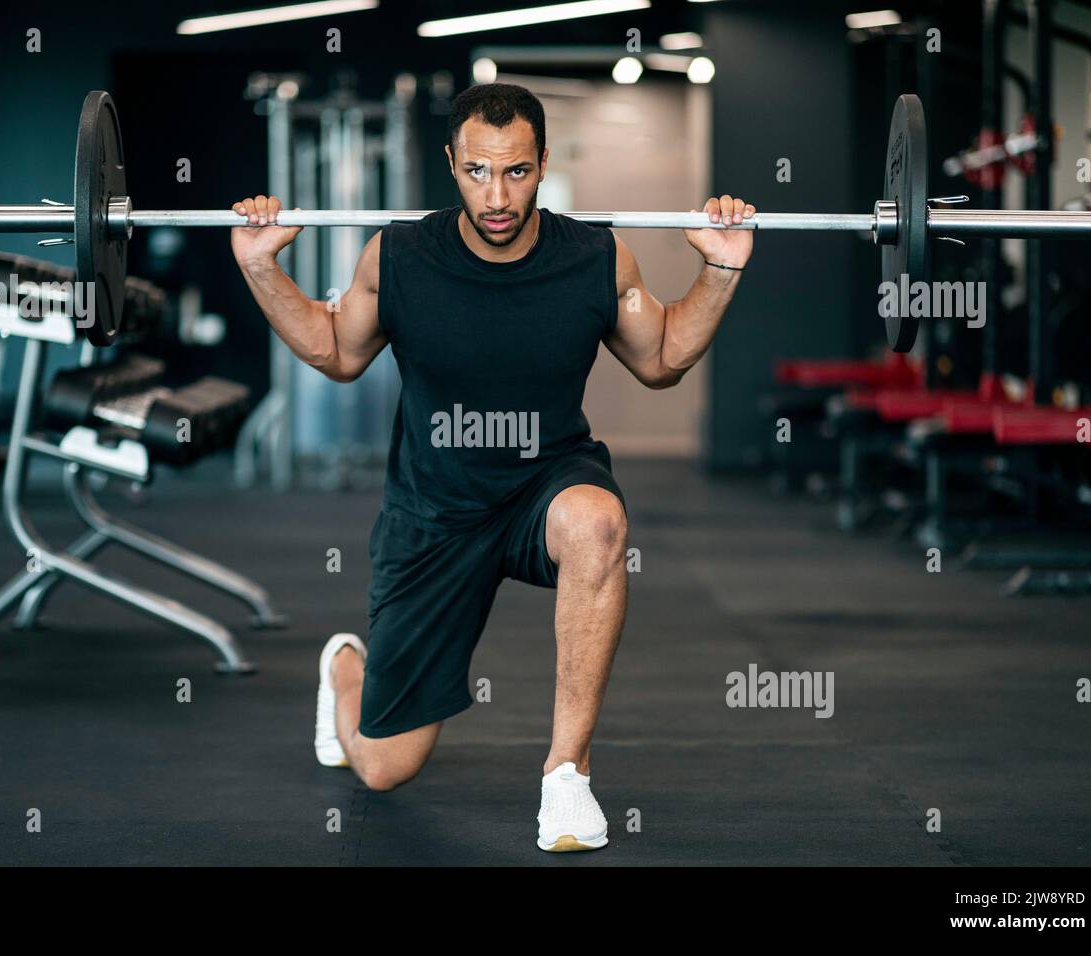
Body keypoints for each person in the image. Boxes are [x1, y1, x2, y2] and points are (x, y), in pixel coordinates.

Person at [232, 83, 755, 852]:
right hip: (433, 511)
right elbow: (339, 350)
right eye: (478, 171)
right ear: (451, 163)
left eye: (515, 172)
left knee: (599, 525)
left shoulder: (597, 257)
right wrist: (259, 269)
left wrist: (720, 271)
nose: (497, 195)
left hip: (544, 482)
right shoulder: (400, 254)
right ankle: (346, 666)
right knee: (383, 767)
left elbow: (663, 358)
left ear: (544, 163)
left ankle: (566, 776)